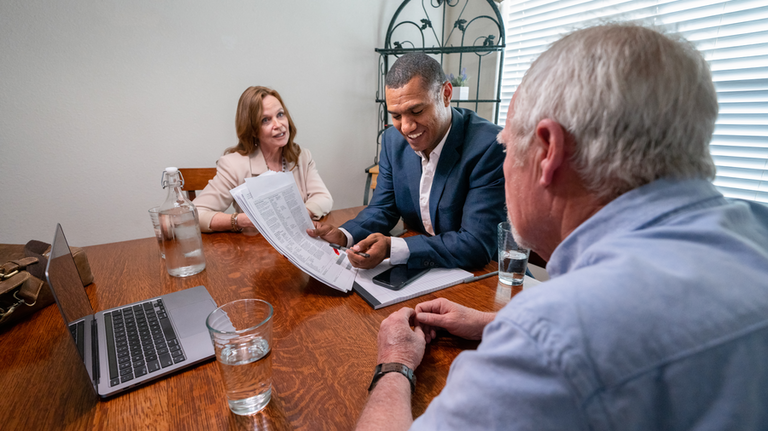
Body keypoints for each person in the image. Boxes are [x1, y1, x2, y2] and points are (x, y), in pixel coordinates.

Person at [355, 24, 768, 430]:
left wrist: (395, 360)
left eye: (507, 148)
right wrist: (492, 323)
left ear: (548, 150)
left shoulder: (550, 338)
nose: (502, 163)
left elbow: (570, 340)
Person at [307, 53, 505, 270]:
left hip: (486, 276)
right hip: (429, 269)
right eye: (396, 116)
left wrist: (394, 247)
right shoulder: (392, 141)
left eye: (417, 111)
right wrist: (344, 236)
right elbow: (383, 208)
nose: (407, 127)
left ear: (446, 94)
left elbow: (475, 245)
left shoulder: (489, 147)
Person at [193, 86, 333, 233]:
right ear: (252, 130)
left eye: (280, 114)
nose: (278, 125)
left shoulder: (301, 156)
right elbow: (196, 214)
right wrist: (240, 220)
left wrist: (299, 214)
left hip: (298, 242)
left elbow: (323, 197)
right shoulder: (233, 165)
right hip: (257, 249)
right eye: (265, 120)